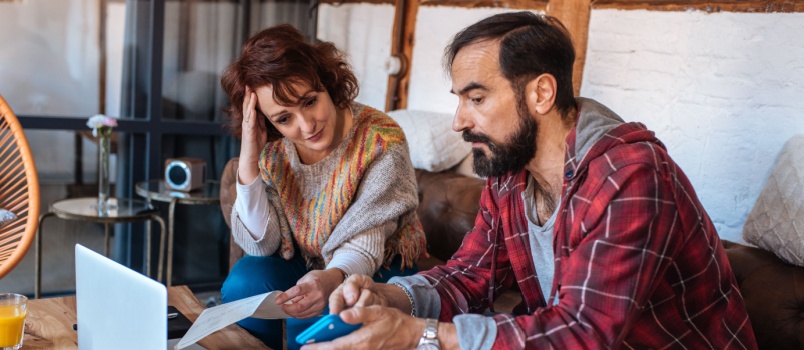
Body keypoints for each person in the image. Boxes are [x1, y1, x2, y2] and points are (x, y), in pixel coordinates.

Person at [308, 12, 758, 350]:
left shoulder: (629, 177)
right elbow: (469, 277)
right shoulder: (508, 174)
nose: (459, 122)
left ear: (540, 94)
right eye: (460, 101)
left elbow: (584, 333)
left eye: (477, 98)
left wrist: (419, 336)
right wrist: (387, 298)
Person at [219, 24, 426, 350]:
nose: (306, 125)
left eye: (310, 101)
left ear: (327, 83)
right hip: (306, 259)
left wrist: (333, 278)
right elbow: (262, 245)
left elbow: (365, 244)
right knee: (245, 283)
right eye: (284, 118)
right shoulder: (272, 150)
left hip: (380, 263)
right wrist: (249, 161)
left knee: (324, 315)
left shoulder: (380, 139)